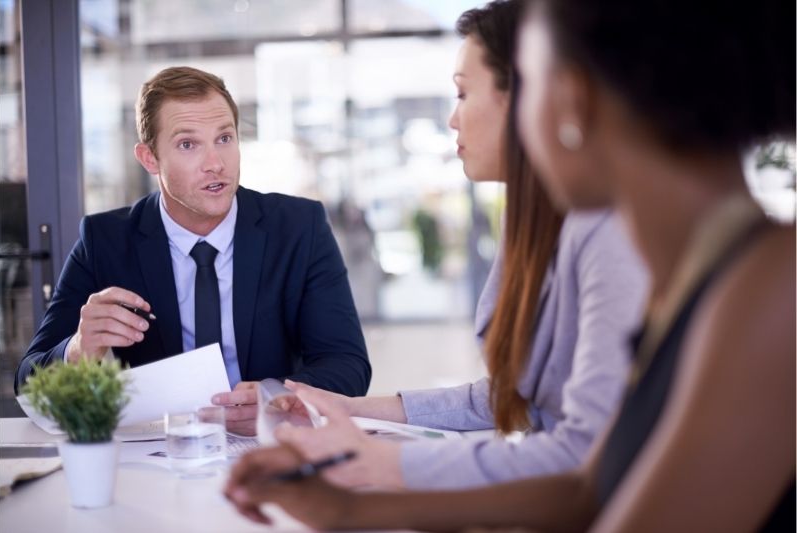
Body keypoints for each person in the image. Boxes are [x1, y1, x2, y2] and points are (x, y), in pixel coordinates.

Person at [224, 0, 795, 530]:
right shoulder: (711, 271)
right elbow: (586, 485)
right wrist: (350, 508)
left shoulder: (768, 291)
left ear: (571, 99)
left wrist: (377, 481)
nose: (453, 120)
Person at [243, 0, 647, 491]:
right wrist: (352, 410)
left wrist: (381, 470)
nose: (453, 120)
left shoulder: (604, 228)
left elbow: (583, 453)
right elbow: (508, 398)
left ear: (527, 95)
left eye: (462, 94)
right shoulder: (534, 225)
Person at [15, 66, 372, 435]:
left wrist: (274, 397)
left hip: (272, 446)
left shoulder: (300, 228)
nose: (215, 163)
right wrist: (78, 349)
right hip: (162, 454)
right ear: (150, 159)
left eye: (224, 138)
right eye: (188, 144)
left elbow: (347, 365)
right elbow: (28, 385)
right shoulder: (105, 241)